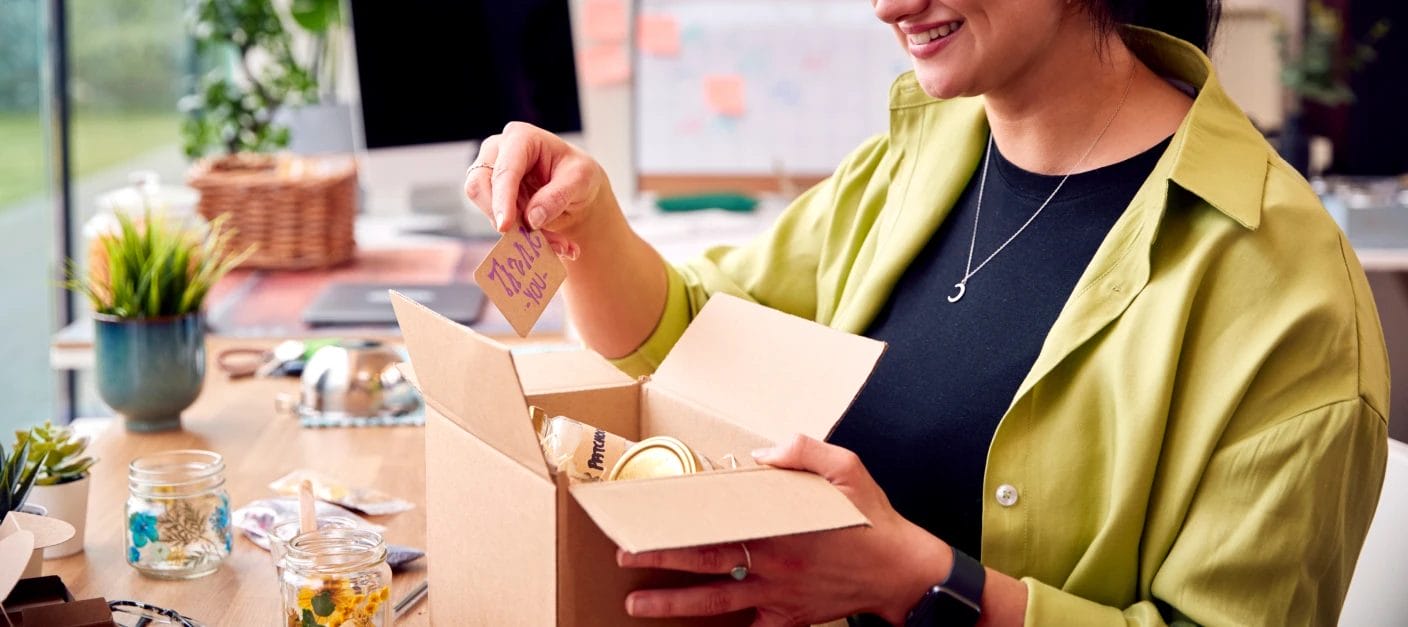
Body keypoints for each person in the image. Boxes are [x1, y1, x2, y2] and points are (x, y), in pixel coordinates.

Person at [464, 0, 1390, 624]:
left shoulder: (1285, 287)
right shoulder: (922, 153)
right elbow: (691, 334)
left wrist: (927, 586)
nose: (887, 5)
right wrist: (588, 222)